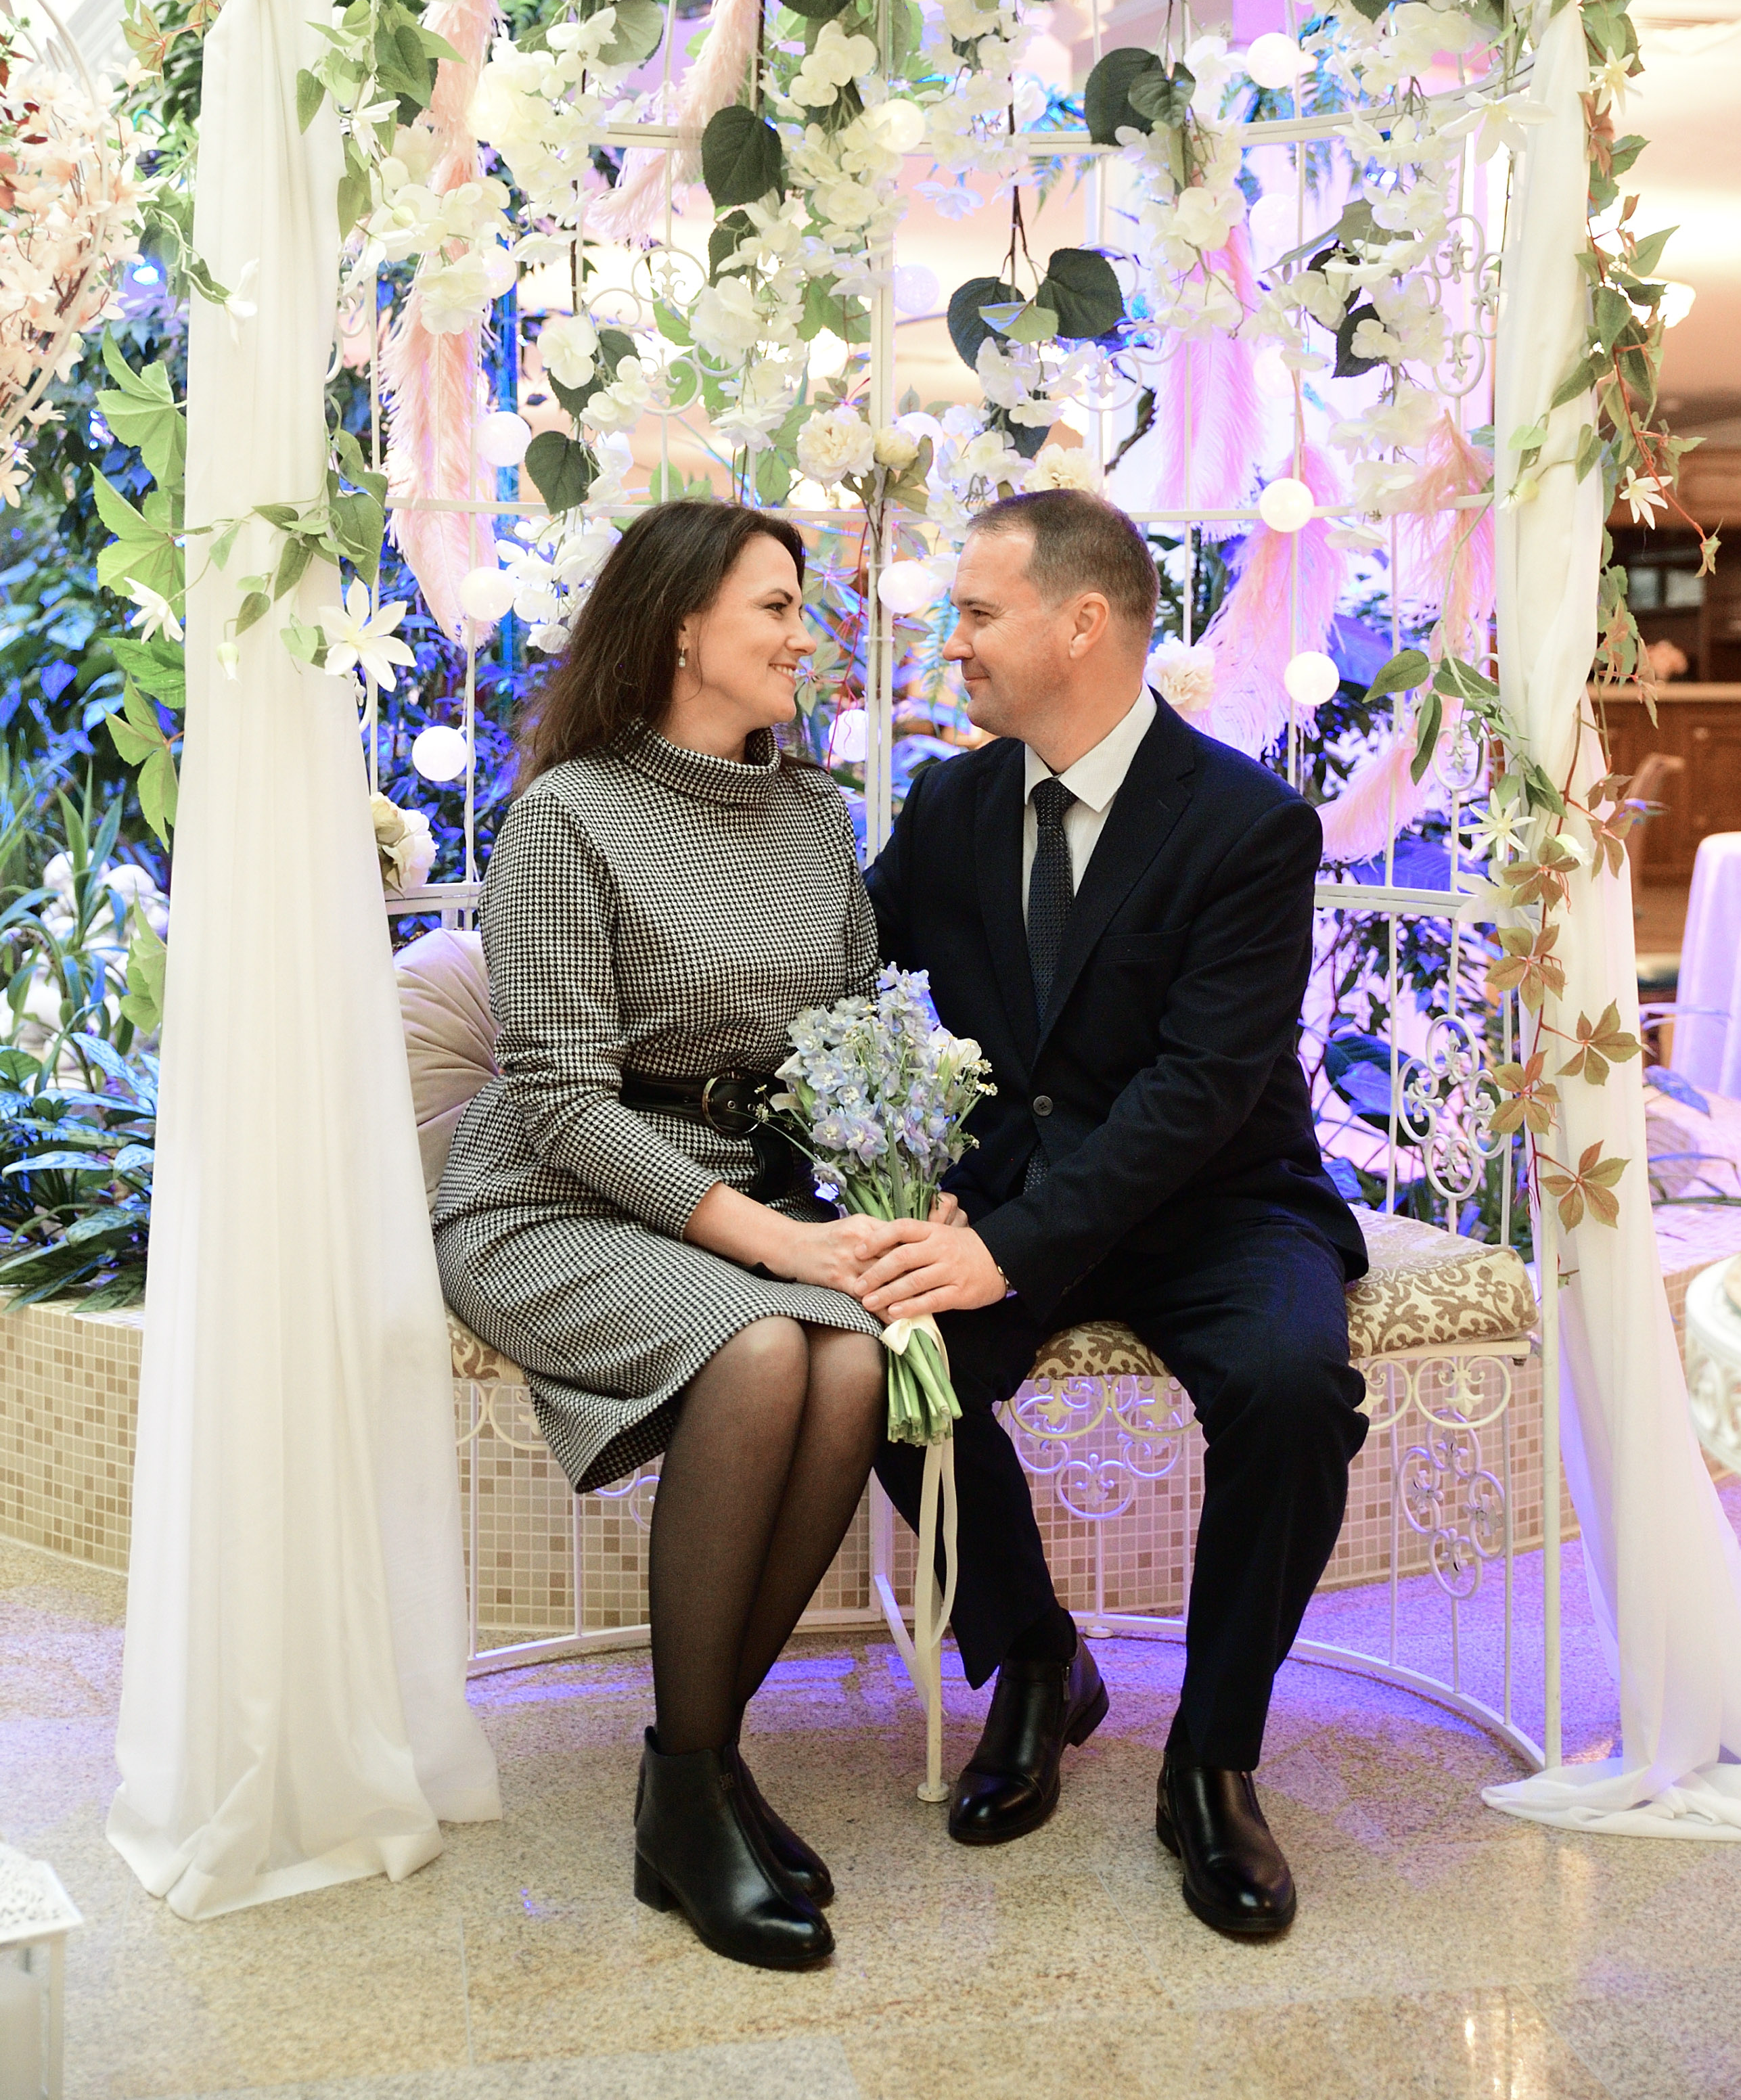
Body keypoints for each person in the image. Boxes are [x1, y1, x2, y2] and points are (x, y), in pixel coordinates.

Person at [860, 488, 1369, 1940]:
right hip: (1013, 1197)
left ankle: (1210, 1759)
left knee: (1289, 1386)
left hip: (1219, 1205)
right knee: (877, 1360)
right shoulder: (952, 806)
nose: (952, 642)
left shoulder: (1248, 825)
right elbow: (850, 974)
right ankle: (1036, 1661)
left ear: (1082, 622)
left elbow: (1196, 1094)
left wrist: (999, 1251)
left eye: (977, 612)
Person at [434, 501, 895, 1973]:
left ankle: (692, 1776)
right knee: (765, 1350)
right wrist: (778, 1246)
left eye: (802, 606)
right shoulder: (566, 815)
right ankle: (692, 1791)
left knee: (855, 1361)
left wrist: (894, 1192)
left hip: (737, 1198)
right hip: (551, 1196)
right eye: (775, 606)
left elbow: (854, 1042)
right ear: (684, 625)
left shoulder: (816, 818)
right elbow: (560, 1100)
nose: (803, 635)